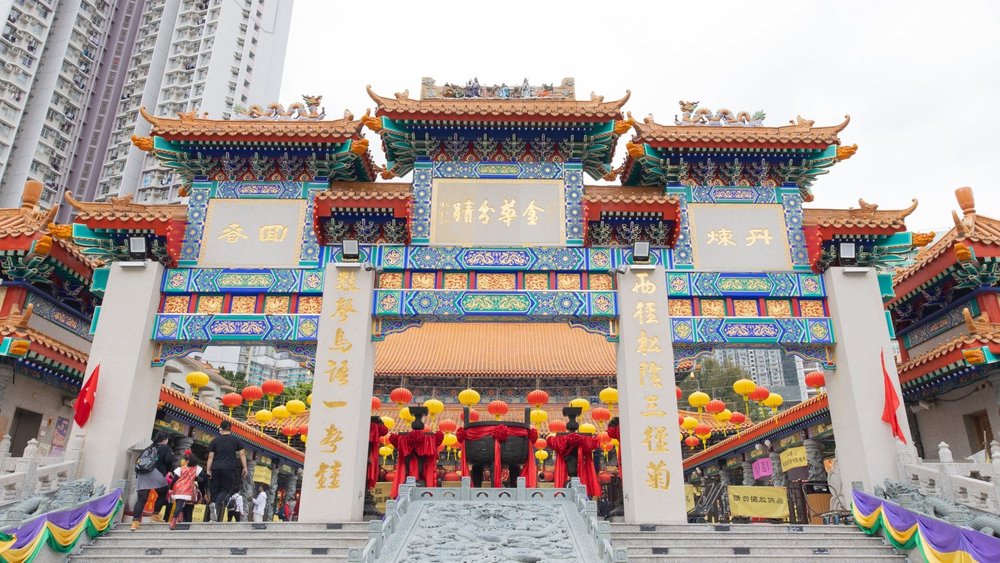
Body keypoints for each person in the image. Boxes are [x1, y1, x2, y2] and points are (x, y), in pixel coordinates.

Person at [131, 432, 175, 531]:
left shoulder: (148, 448)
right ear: (165, 439)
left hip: (142, 474)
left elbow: (138, 461)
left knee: (142, 499)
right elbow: (168, 460)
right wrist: (167, 470)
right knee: (164, 492)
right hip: (156, 473)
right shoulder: (166, 448)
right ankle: (155, 515)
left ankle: (135, 522)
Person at [206, 420, 247, 522]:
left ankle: (212, 518)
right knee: (225, 490)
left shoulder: (215, 441)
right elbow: (242, 454)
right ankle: (215, 507)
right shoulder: (236, 440)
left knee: (215, 491)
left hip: (215, 468)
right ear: (230, 428)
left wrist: (208, 469)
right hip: (229, 468)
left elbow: (210, 456)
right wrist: (245, 467)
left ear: (221, 428)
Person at [169, 450, 203, 530]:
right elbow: (203, 477)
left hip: (177, 488)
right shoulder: (197, 468)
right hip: (187, 489)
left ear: (187, 460)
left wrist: (170, 488)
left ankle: (178, 517)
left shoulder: (181, 468)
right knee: (180, 505)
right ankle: (174, 521)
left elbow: (174, 479)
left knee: (178, 504)